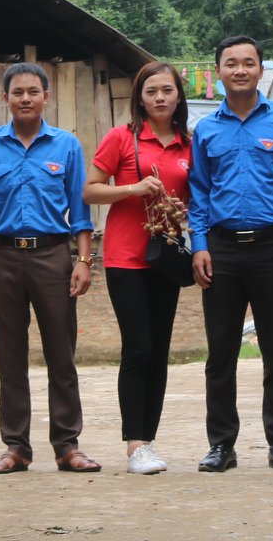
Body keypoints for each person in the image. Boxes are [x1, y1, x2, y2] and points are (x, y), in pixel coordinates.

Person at [187, 35, 273, 473]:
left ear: (261, 70)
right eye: (231, 63)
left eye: (248, 62)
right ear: (218, 72)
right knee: (220, 354)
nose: (240, 70)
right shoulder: (206, 129)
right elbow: (199, 193)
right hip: (222, 250)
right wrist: (199, 245)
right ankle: (221, 445)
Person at [0, 62, 100, 474]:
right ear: (5, 98)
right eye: (17, 92)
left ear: (46, 96)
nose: (25, 98)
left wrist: (83, 261)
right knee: (10, 356)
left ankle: (67, 445)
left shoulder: (66, 145)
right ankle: (16, 447)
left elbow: (80, 211)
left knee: (62, 354)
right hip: (4, 256)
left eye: (33, 92)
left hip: (52, 257)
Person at [85, 61, 193, 475]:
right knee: (139, 346)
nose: (160, 98)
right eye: (151, 91)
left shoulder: (189, 144)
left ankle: (150, 439)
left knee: (160, 350)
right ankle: (135, 444)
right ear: (140, 98)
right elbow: (89, 191)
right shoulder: (121, 138)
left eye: (167, 90)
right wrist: (133, 188)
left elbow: (198, 199)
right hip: (126, 257)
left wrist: (181, 210)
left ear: (178, 96)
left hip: (166, 256)